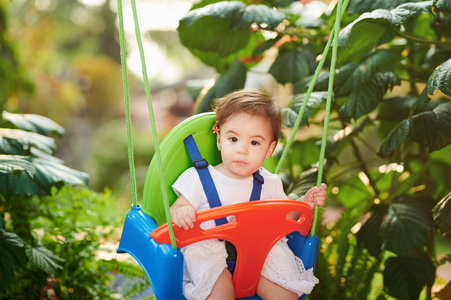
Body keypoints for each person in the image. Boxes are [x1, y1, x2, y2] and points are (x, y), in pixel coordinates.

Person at [170, 89, 327, 300]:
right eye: (233, 139)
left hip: (259, 252)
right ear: (219, 139)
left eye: (254, 143)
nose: (242, 150)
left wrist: (304, 202)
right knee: (218, 293)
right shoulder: (198, 178)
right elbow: (177, 208)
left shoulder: (269, 182)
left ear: (269, 150)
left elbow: (284, 219)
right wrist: (183, 211)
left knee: (284, 293)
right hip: (210, 252)